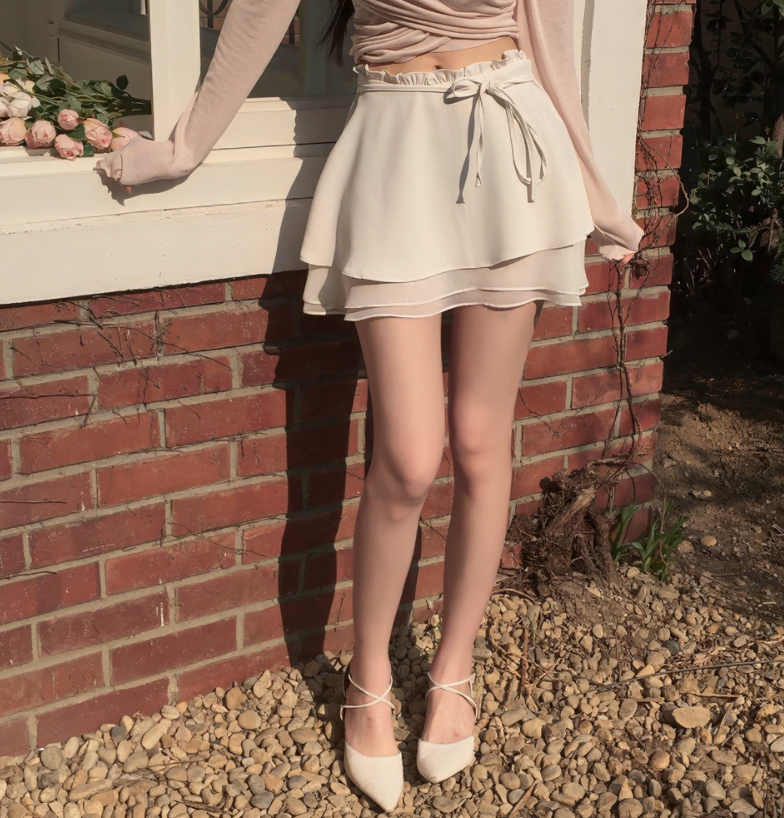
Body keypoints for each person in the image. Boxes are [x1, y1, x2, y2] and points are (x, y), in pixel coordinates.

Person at [95, 0, 643, 812]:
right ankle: (369, 676)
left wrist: (597, 192)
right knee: (408, 459)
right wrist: (182, 148)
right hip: (395, 145)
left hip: (513, 146)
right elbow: (258, 13)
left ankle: (453, 670)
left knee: (481, 442)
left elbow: (550, 36)